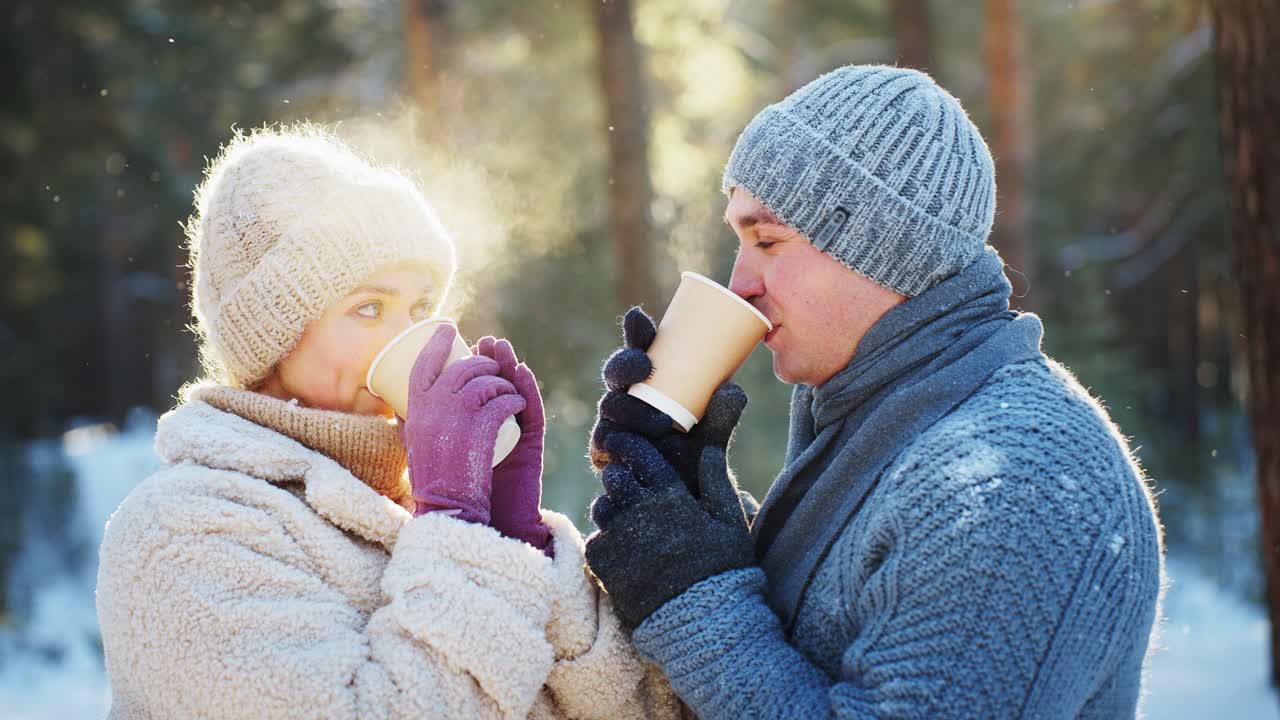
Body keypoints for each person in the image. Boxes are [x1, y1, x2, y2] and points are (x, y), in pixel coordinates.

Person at [584, 65, 1164, 718]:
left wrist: (692, 594)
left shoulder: (1012, 483)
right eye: (739, 241)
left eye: (768, 240)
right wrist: (694, 507)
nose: (740, 281)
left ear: (882, 250)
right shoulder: (889, 422)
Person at [95, 126, 679, 720]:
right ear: (274, 340)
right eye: (369, 307)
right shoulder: (185, 531)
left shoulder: (409, 510)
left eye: (421, 307)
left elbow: (639, 711)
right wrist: (459, 529)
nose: (412, 338)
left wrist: (514, 537)